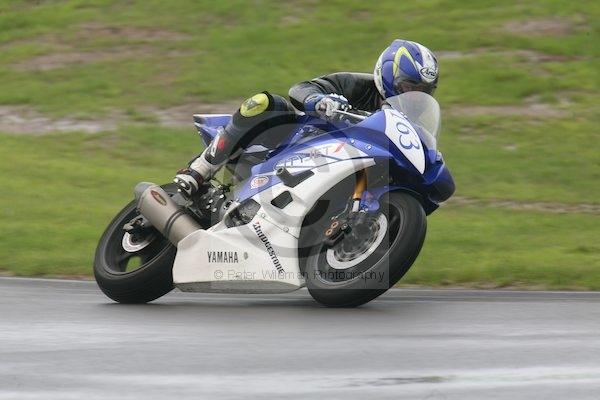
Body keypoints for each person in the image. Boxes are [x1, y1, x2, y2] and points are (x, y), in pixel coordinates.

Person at [173, 39, 439, 196]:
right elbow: (301, 89)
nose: (414, 96)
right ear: (389, 77)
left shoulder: (411, 121)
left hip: (346, 169)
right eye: (408, 87)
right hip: (297, 143)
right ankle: (200, 169)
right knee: (264, 102)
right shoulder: (357, 84)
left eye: (422, 91)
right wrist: (320, 101)